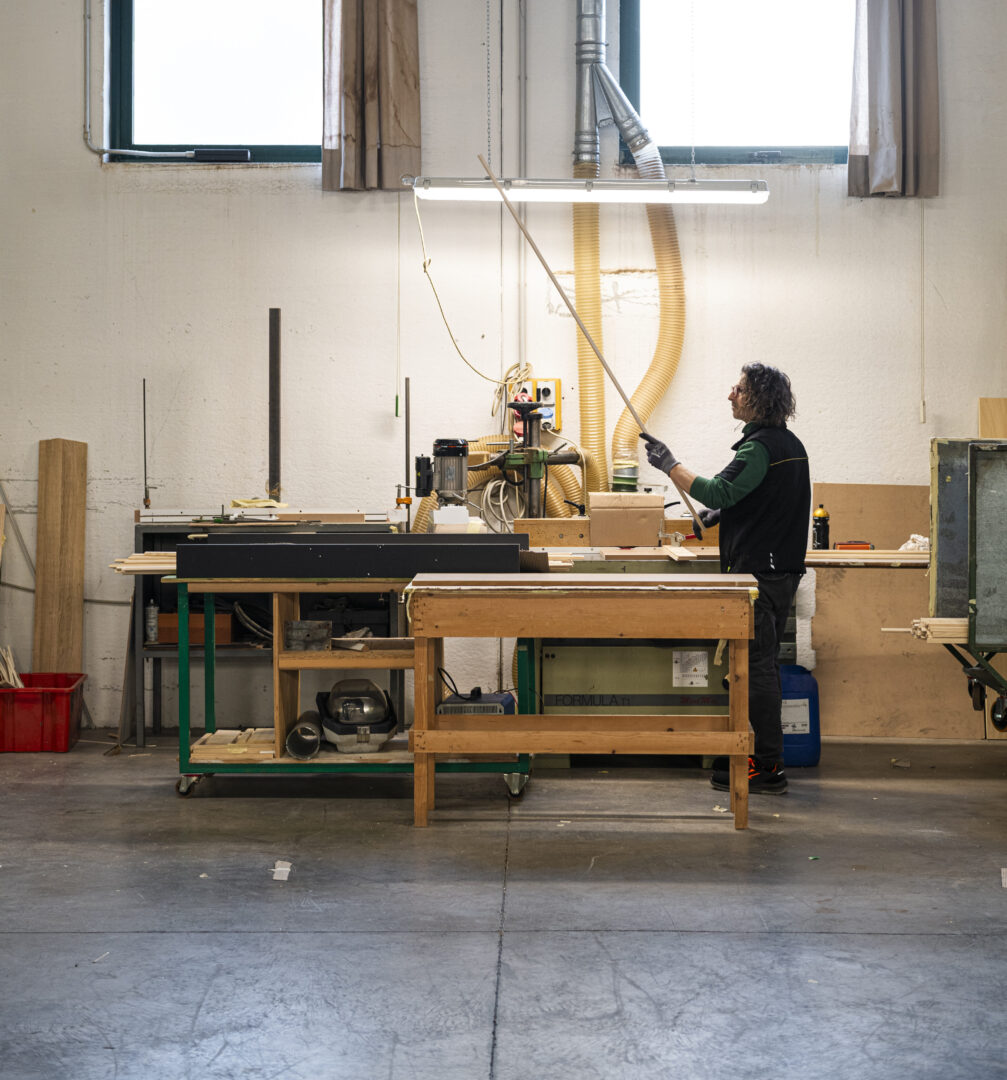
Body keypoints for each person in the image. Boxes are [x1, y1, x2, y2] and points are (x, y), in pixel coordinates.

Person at [640, 363, 811, 795]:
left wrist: (670, 464)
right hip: (777, 572)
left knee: (756, 670)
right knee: (759, 667)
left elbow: (717, 489)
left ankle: (768, 767)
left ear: (757, 398)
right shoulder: (788, 445)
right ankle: (762, 757)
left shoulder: (758, 448)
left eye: (738, 389)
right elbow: (761, 497)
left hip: (758, 578)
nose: (730, 395)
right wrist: (722, 516)